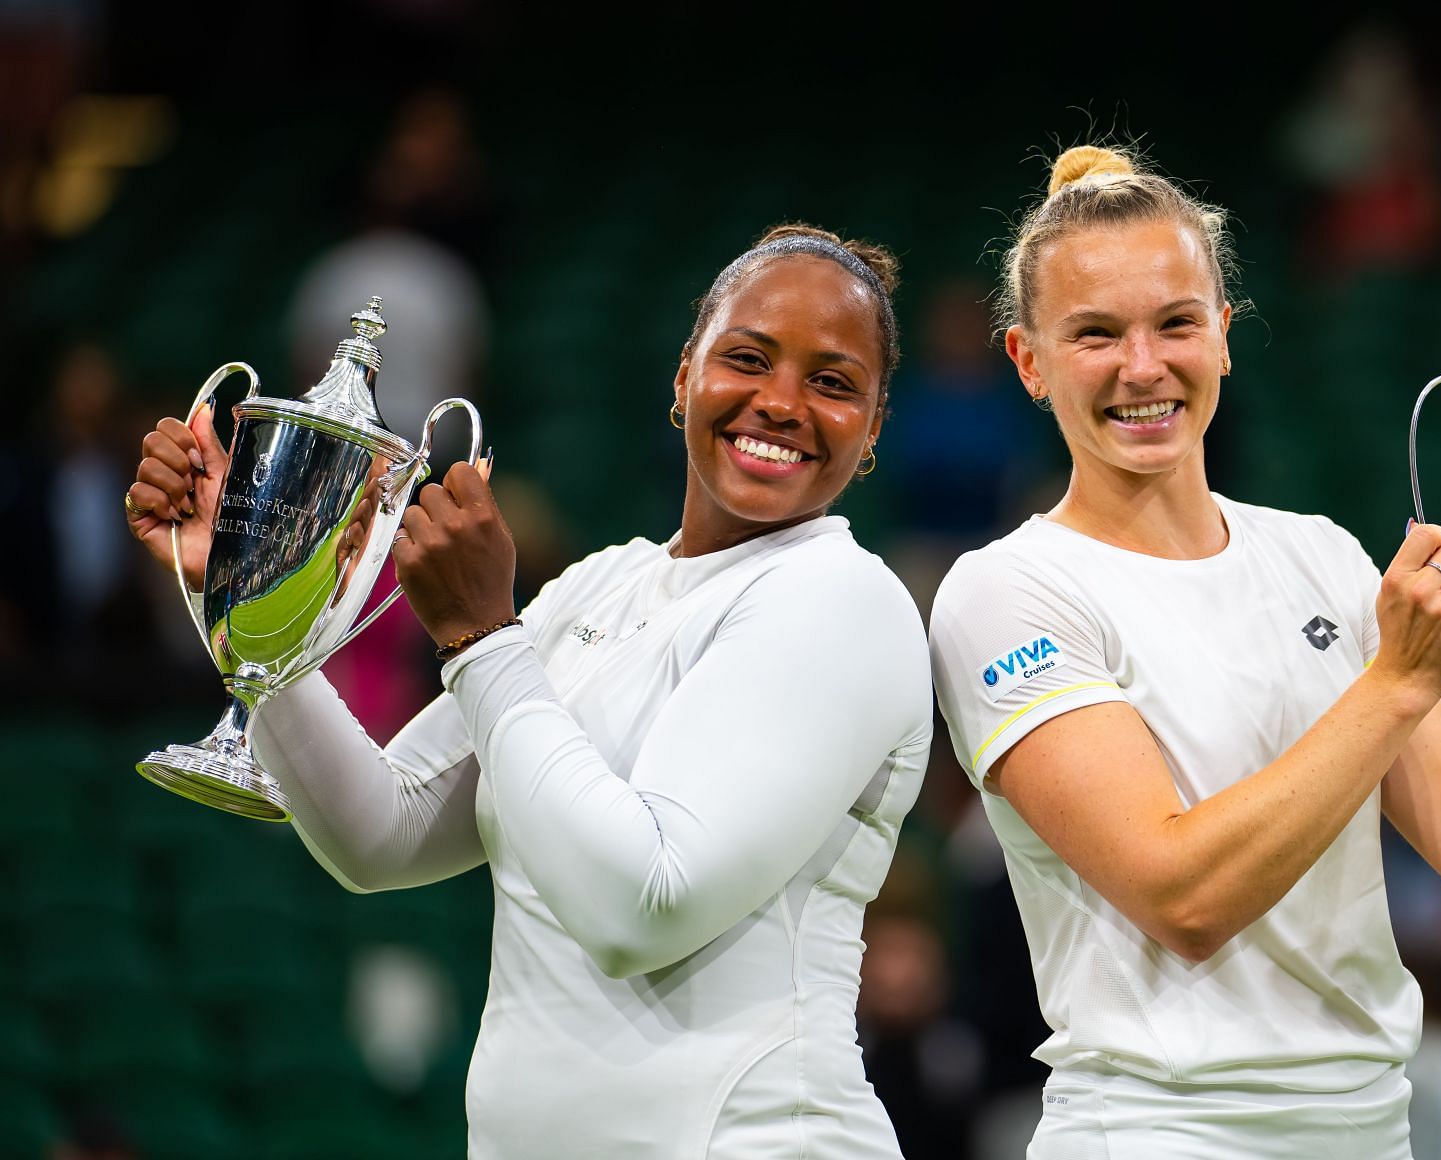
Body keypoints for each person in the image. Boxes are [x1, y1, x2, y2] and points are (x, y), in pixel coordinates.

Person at [926, 145, 1441, 1158]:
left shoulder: (1319, 554)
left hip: (1371, 1129)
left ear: (1225, 335)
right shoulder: (1006, 590)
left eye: (1175, 323)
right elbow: (1182, 895)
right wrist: (1399, 681)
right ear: (1028, 359)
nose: (1142, 367)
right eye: (1095, 333)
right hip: (1156, 1131)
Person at [125, 225, 933, 1158]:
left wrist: (479, 636)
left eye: (832, 383)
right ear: (683, 378)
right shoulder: (600, 585)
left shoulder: (843, 599)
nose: (783, 403)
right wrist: (244, 593)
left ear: (872, 430)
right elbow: (379, 833)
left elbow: (645, 908)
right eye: (746, 359)